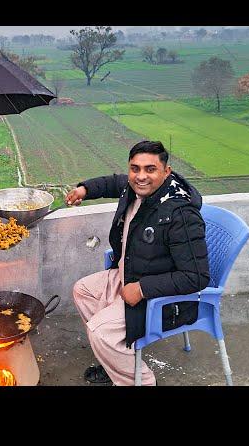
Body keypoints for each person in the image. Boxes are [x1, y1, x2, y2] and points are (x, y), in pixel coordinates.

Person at [66, 140, 209, 386]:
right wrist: (84, 190)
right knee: (83, 291)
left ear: (166, 171)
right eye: (135, 168)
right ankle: (115, 359)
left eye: (150, 169)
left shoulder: (180, 214)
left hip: (161, 299)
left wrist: (142, 289)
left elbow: (196, 276)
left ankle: (140, 381)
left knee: (100, 332)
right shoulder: (136, 188)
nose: (140, 176)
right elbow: (112, 182)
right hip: (132, 273)